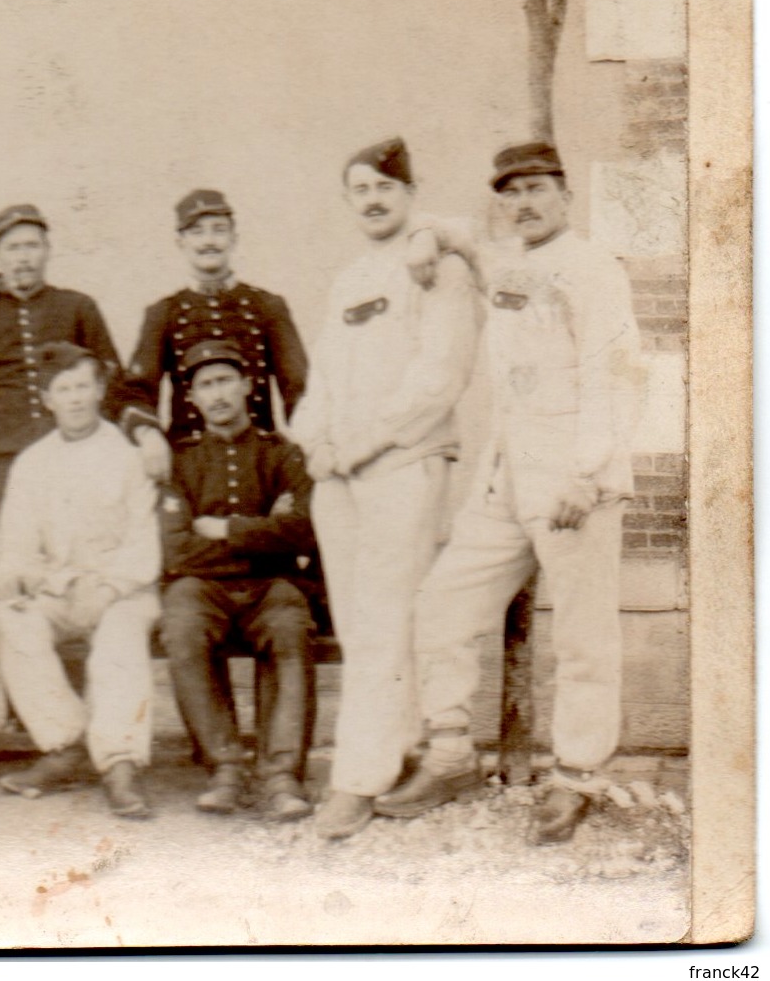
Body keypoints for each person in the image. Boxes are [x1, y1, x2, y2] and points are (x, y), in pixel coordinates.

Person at [375, 142, 645, 845]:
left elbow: (613, 377)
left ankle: (578, 777)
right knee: (440, 605)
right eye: (510, 193)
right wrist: (426, 239)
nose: (522, 204)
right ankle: (450, 752)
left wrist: (586, 475)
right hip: (505, 477)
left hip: (571, 482)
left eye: (535, 189)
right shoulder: (508, 261)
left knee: (583, 639)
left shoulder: (593, 271)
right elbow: (456, 233)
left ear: (564, 194)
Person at [287, 138, 480, 840]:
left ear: (410, 193)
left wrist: (363, 443)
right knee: (362, 624)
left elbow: (439, 376)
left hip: (402, 463)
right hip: (338, 476)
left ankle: (354, 782)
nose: (371, 200)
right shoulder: (348, 278)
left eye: (383, 189)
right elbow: (324, 378)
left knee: (384, 624)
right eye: (358, 190)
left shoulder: (439, 268)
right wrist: (314, 443)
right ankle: (394, 751)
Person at [0, 343, 162, 819]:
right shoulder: (31, 463)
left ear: (101, 390)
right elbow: (18, 547)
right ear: (47, 398)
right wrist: (45, 583)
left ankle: (120, 763)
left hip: (122, 588)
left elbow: (143, 544)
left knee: (119, 640)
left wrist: (107, 589)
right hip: (58, 589)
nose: (75, 400)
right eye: (63, 390)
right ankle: (66, 744)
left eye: (83, 386)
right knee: (12, 621)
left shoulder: (128, 456)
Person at [159, 341, 321, 822]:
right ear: (192, 398)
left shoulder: (283, 456)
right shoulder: (180, 461)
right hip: (201, 587)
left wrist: (225, 529)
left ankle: (282, 775)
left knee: (290, 629)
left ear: (248, 386)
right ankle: (223, 767)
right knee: (182, 626)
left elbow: (304, 532)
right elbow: (178, 549)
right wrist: (264, 532)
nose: (217, 394)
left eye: (226, 380)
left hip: (273, 587)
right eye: (205, 385)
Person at [0, 204, 161, 506]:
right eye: (12, 248)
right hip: (4, 460)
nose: (23, 258)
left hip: (74, 453)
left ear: (47, 250)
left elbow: (112, 386)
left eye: (32, 246)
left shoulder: (77, 307)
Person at [125, 189, 307, 447]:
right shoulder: (163, 312)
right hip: (189, 457)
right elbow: (137, 390)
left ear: (234, 238)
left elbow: (298, 388)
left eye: (219, 230)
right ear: (181, 242)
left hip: (259, 454)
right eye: (197, 232)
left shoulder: (267, 306)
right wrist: (149, 437)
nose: (208, 241)